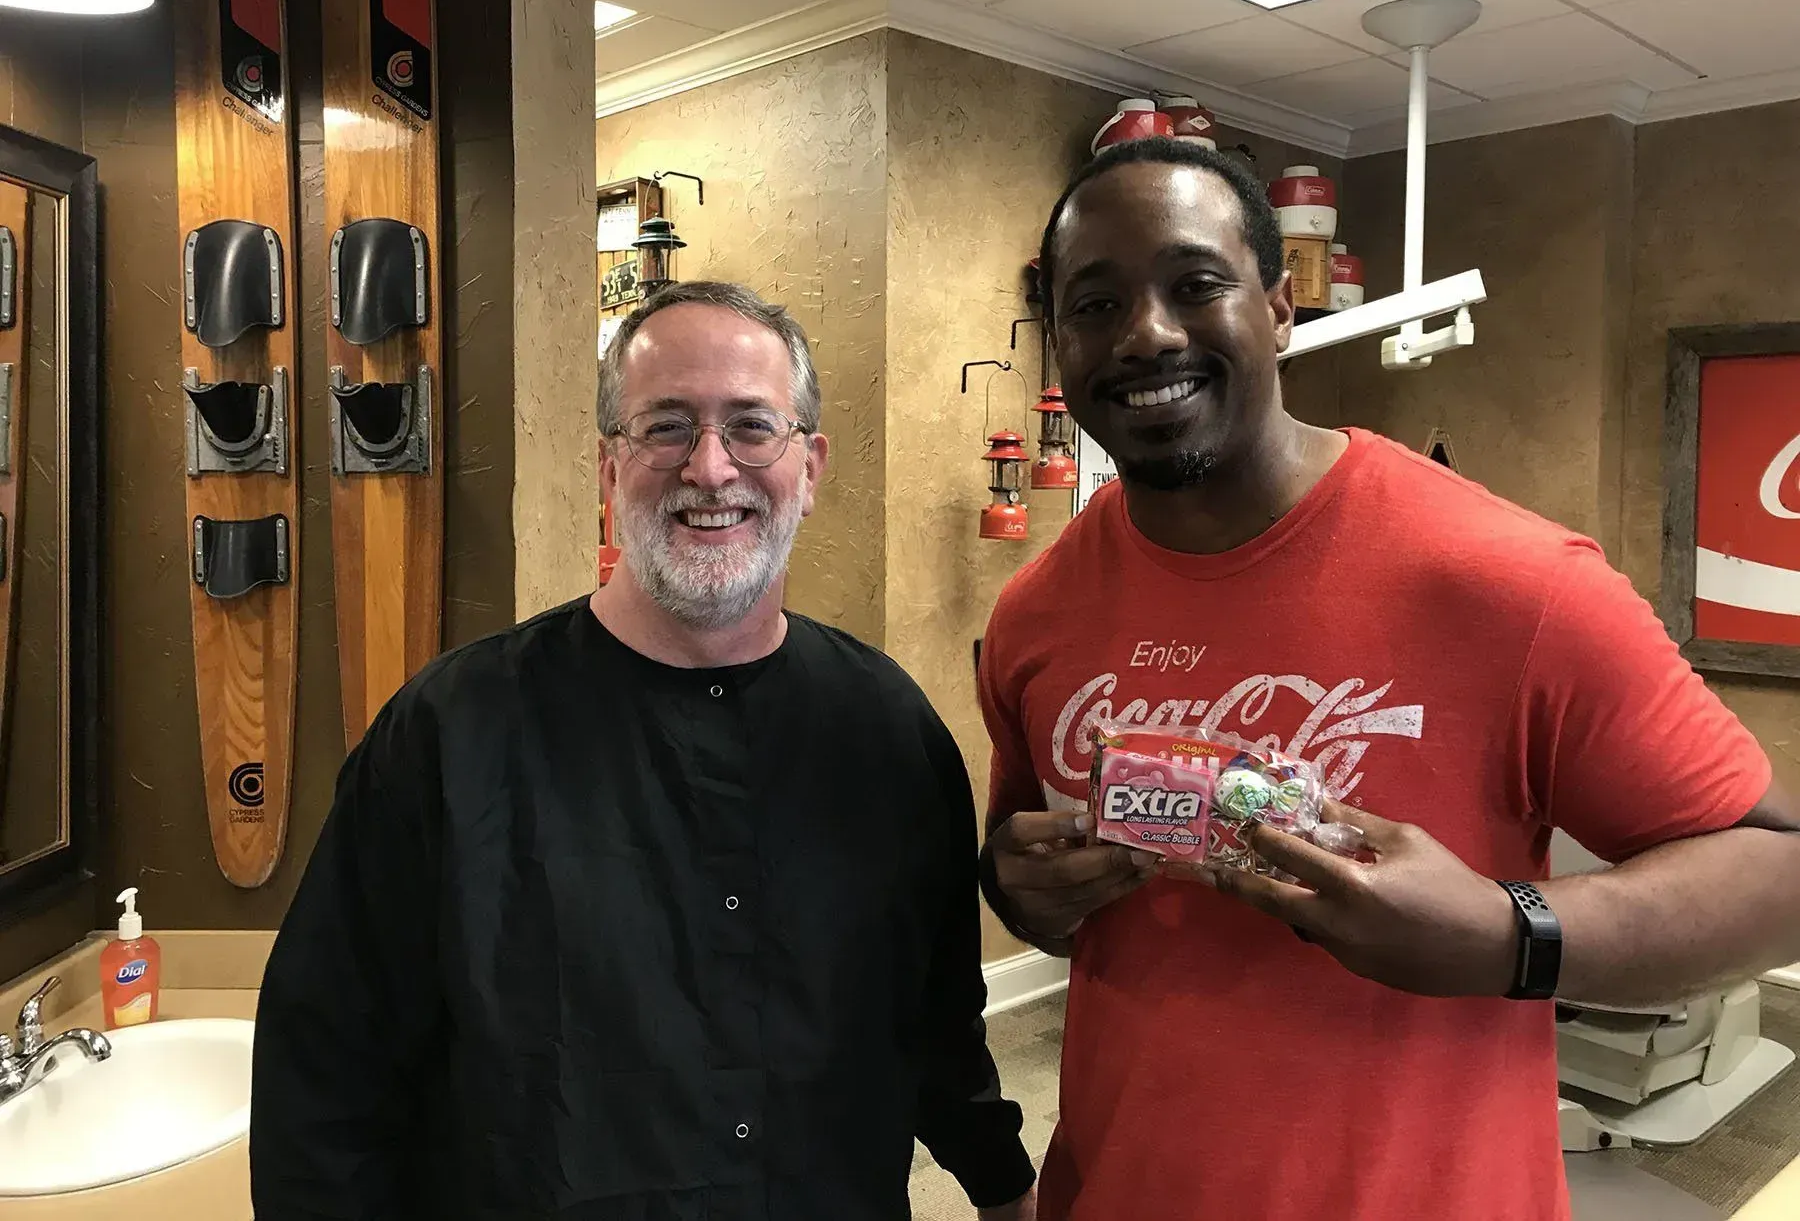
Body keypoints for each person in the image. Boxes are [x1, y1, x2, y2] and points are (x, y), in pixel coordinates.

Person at [977, 137, 1800, 1221]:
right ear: (1060, 339)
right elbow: (1032, 882)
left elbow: (1779, 875)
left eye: (1196, 285)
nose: (1147, 334)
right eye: (1095, 303)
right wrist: (1023, 890)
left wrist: (1507, 934)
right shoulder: (1035, 613)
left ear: (1280, 308)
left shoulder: (1512, 581)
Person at [252, 280, 1038, 1221]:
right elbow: (325, 1074)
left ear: (811, 468)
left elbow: (936, 1012)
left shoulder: (887, 730)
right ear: (607, 467)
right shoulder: (449, 734)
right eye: (665, 427)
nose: (710, 467)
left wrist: (1001, 1183)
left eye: (752, 426)